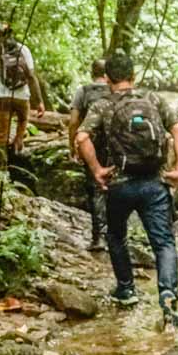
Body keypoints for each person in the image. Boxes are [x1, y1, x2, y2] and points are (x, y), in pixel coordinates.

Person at [76, 50, 178, 331]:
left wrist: (97, 170)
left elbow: (81, 137)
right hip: (154, 182)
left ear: (107, 79)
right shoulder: (152, 99)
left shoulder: (103, 105)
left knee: (115, 236)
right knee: (163, 243)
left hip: (119, 184)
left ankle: (126, 290)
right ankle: (168, 297)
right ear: (133, 76)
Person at [0, 22, 46, 156]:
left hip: (3, 97)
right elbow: (31, 77)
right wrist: (39, 102)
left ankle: (2, 166)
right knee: (22, 121)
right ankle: (18, 146)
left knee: (2, 135)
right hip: (23, 97)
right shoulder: (24, 50)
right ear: (11, 34)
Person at [69, 58, 111, 251]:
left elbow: (74, 121)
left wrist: (73, 146)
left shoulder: (83, 91)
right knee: (114, 186)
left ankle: (98, 237)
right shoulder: (115, 90)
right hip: (114, 145)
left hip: (90, 145)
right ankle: (116, 234)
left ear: (91, 72)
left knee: (95, 187)